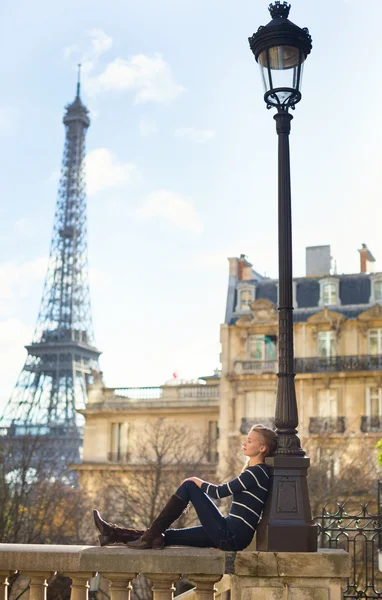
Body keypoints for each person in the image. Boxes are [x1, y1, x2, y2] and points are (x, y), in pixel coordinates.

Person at [93, 424, 277, 551]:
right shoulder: (255, 472)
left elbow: (219, 493)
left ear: (262, 448)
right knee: (165, 536)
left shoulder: (257, 472)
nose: (244, 443)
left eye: (250, 441)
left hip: (230, 535)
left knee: (189, 486)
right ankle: (113, 534)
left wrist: (196, 480)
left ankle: (138, 535)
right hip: (229, 533)